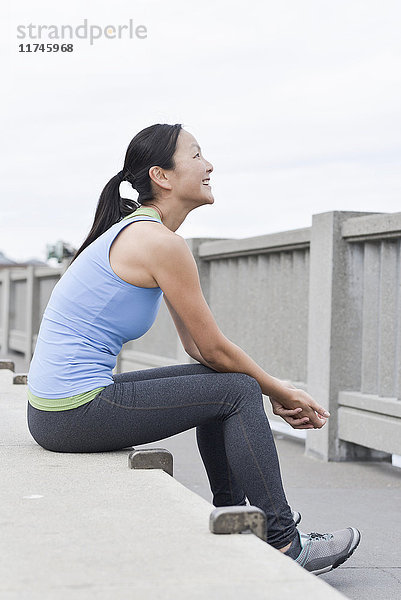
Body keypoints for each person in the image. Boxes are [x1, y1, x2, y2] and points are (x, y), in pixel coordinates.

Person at [27, 123, 360, 575]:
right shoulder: (159, 243)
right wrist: (278, 390)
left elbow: (203, 352)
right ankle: (283, 543)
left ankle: (244, 522)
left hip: (56, 411)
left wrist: (268, 388)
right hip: (70, 413)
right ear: (162, 176)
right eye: (197, 154)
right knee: (238, 391)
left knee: (227, 387)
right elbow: (215, 349)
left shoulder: (142, 234)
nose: (209, 165)